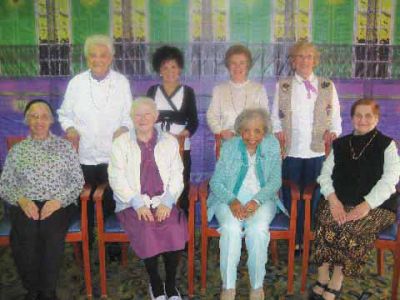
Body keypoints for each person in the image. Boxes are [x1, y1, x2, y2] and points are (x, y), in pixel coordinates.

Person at [310, 98, 400, 300]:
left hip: (378, 206)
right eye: (358, 115)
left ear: (376, 119)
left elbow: (391, 180)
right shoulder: (340, 144)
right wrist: (333, 200)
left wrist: (367, 205)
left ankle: (337, 280)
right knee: (325, 219)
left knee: (351, 227)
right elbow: (324, 175)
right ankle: (323, 275)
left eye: (368, 115)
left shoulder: (387, 146)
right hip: (340, 201)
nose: (363, 119)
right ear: (351, 118)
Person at [0, 99, 84, 300]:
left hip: (58, 203)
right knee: (24, 233)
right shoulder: (17, 150)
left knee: (50, 229)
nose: (39, 121)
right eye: (34, 116)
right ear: (27, 120)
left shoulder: (65, 147)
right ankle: (32, 288)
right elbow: (5, 183)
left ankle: (47, 290)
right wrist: (21, 200)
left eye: (44, 116)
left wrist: (58, 201)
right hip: (25, 202)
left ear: (51, 120)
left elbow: (77, 181)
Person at [57, 34, 133, 253]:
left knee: (114, 201)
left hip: (113, 156)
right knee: (85, 205)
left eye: (102, 55)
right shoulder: (77, 83)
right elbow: (64, 114)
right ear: (87, 58)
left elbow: (129, 116)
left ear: (111, 58)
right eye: (93, 55)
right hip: (84, 155)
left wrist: (124, 128)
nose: (97, 60)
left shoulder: (121, 82)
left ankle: (114, 250)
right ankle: (85, 246)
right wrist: (70, 128)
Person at [108, 97, 187, 300]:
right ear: (131, 117)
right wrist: (137, 203)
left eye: (147, 113)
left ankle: (170, 285)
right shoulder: (120, 143)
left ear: (156, 116)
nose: (143, 118)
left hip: (163, 201)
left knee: (174, 228)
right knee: (146, 228)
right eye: (138, 114)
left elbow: (178, 174)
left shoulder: (169, 141)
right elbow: (116, 177)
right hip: (132, 204)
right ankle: (155, 284)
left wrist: (168, 202)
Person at [207, 108, 284, 300]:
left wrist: (256, 201)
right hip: (229, 197)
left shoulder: (272, 145)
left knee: (257, 229)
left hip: (262, 198)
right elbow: (215, 182)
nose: (251, 136)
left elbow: (275, 181)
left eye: (257, 131)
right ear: (240, 130)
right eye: (247, 131)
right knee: (231, 229)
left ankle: (257, 286)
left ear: (264, 132)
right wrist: (232, 201)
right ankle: (229, 286)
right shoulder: (230, 146)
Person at [271, 40, 342, 245]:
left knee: (314, 196)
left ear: (315, 61)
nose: (304, 60)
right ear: (293, 62)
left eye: (309, 56)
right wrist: (277, 131)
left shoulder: (327, 85)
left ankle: (308, 237)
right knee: (292, 194)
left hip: (317, 151)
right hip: (291, 150)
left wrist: (334, 132)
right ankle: (294, 237)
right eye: (300, 56)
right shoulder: (283, 85)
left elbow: (336, 117)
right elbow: (275, 116)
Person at [147, 45, 198, 213]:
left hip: (181, 146)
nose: (170, 71)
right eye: (165, 67)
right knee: (155, 187)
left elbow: (194, 121)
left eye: (173, 67)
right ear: (159, 70)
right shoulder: (152, 91)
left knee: (180, 186)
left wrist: (184, 133)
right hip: (155, 148)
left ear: (180, 69)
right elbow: (144, 117)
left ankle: (181, 233)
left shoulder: (188, 92)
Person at [207, 44, 269, 140]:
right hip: (227, 143)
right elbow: (211, 116)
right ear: (228, 66)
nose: (237, 67)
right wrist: (220, 131)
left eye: (242, 63)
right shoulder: (219, 90)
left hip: (253, 143)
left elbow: (265, 118)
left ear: (248, 66)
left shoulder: (259, 89)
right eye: (233, 63)